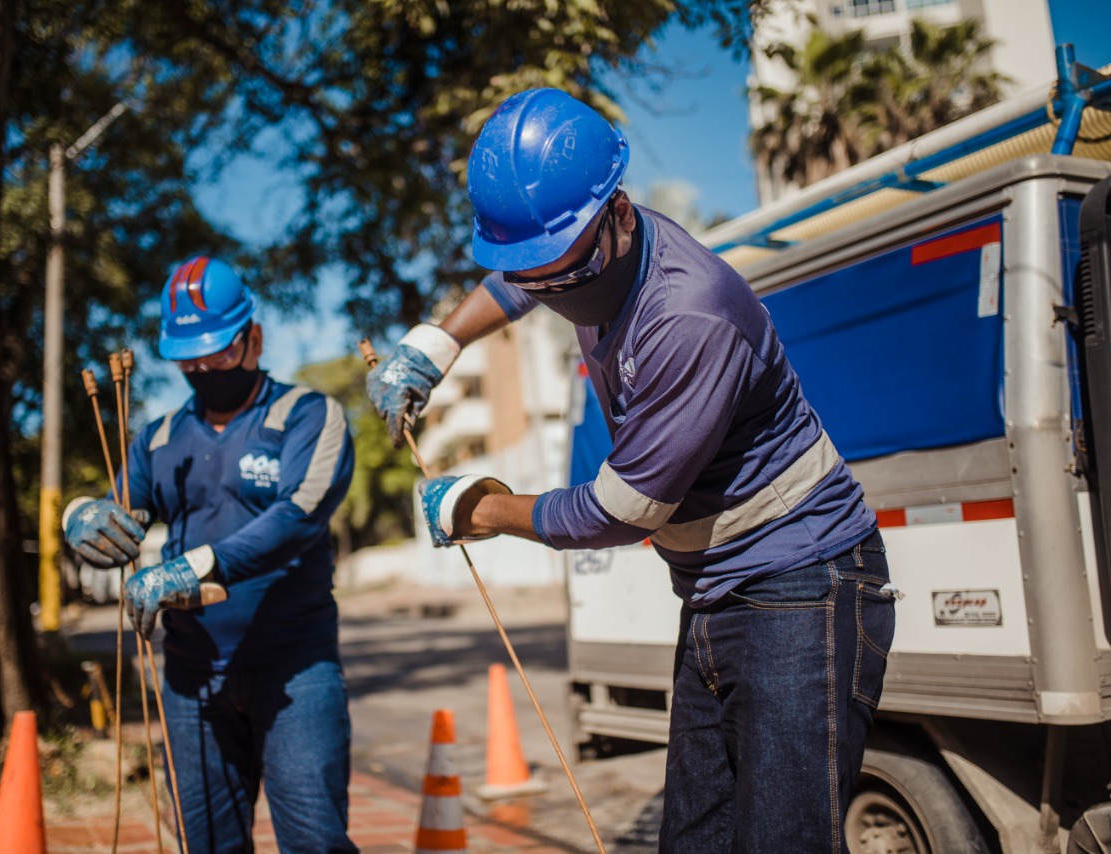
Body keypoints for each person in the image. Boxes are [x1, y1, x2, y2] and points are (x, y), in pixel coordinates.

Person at [367, 88, 896, 854]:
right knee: (693, 840)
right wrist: (436, 345)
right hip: (718, 591)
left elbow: (622, 509)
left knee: (784, 840)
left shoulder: (689, 313)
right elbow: (520, 278)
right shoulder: (574, 255)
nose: (552, 297)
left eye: (563, 275)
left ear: (617, 211)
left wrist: (480, 509)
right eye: (537, 279)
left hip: (802, 584)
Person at [63, 256, 358, 854]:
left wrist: (193, 565)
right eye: (187, 358)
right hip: (191, 679)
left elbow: (296, 517)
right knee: (208, 846)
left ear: (254, 338)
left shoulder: (306, 415)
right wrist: (80, 518)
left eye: (219, 352)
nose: (203, 369)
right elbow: (115, 519)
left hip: (295, 670)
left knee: (315, 844)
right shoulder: (159, 437)